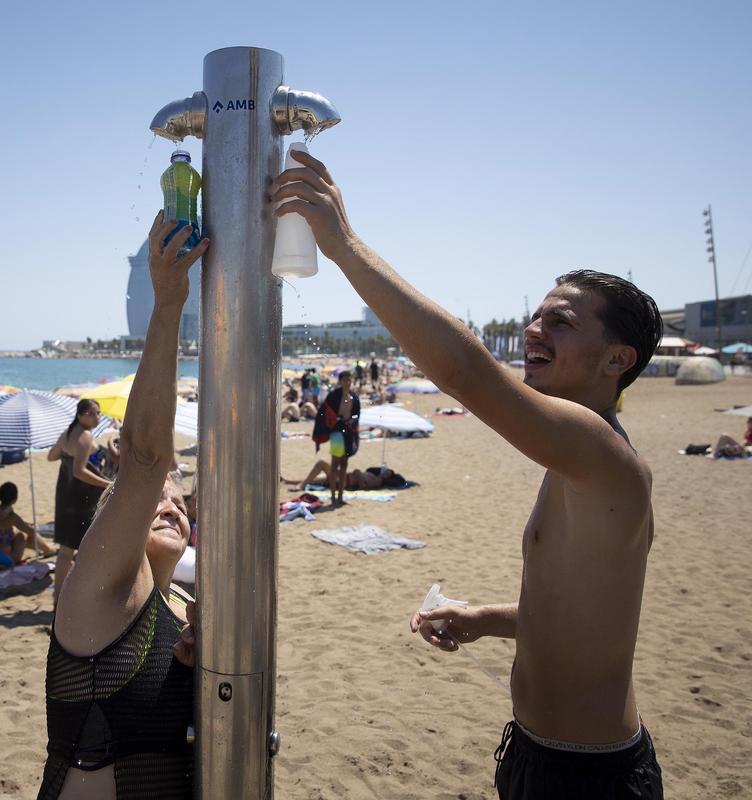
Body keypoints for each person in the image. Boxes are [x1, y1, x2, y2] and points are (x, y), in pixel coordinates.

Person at [273, 151, 664, 796]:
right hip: (534, 754)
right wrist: (484, 617)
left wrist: (342, 246)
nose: (535, 330)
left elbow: (463, 372)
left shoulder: (601, 452)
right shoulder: (573, 458)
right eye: (538, 315)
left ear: (616, 359)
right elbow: (578, 614)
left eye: (560, 323)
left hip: (590, 775)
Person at [39, 212, 202, 800]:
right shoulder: (96, 594)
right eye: (155, 497)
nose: (169, 501)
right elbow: (143, 460)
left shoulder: (186, 608)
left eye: (180, 500)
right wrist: (168, 305)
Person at [46, 398, 111, 603]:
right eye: (94, 413)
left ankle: (58, 596)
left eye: (99, 413)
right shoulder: (84, 436)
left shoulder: (68, 433)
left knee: (66, 550)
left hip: (64, 493)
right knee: (87, 547)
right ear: (81, 415)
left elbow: (51, 456)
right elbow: (79, 472)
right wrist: (106, 484)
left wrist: (68, 448)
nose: (98, 417)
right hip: (80, 497)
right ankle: (82, 595)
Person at [312, 370, 360, 507]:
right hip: (337, 432)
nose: (348, 382)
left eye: (349, 380)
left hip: (349, 432)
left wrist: (352, 421)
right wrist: (335, 421)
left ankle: (340, 496)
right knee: (334, 464)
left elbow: (357, 415)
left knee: (344, 464)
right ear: (340, 381)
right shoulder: (334, 396)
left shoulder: (354, 397)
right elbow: (324, 410)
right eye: (345, 380)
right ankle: (333, 497)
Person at [0, 481, 56, 562]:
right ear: (15, 499)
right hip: (5, 553)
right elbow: (31, 532)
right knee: (23, 535)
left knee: (16, 532)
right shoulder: (12, 517)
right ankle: (47, 550)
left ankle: (45, 548)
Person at [283, 460, 399, 491]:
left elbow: (363, 486)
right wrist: (358, 474)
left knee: (321, 463)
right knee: (312, 479)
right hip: (342, 477)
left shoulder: (378, 481)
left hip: (344, 481)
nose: (385, 472)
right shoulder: (373, 474)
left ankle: (302, 486)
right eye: (385, 471)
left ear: (388, 477)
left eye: (387, 473)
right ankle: (287, 481)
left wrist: (358, 474)